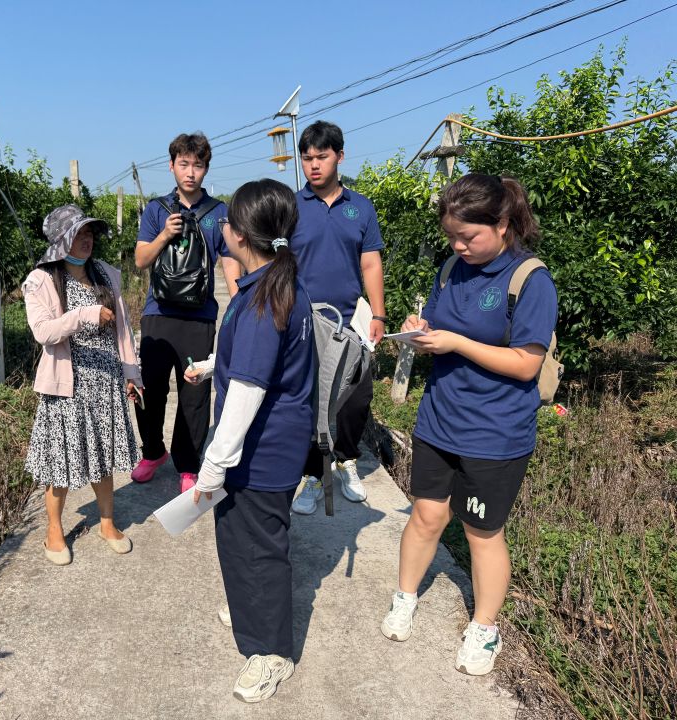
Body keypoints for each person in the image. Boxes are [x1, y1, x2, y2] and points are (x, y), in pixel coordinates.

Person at [379, 173, 558, 676]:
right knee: (426, 515)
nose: (458, 246)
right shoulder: (451, 269)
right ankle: (405, 596)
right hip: (440, 420)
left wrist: (456, 343)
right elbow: (439, 329)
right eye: (451, 237)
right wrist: (420, 331)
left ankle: (484, 627)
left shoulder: (530, 280)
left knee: (482, 531)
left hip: (495, 433)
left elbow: (525, 364)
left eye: (468, 236)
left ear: (501, 224)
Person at [184, 179, 313, 703]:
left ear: (240, 233)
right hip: (270, 446)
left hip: (261, 451)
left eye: (227, 220)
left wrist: (213, 464)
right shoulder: (274, 284)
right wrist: (212, 364)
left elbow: (249, 389)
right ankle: (248, 608)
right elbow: (259, 359)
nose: (222, 227)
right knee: (240, 541)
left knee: (258, 548)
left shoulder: (264, 297)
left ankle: (271, 652)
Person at [22, 205, 142, 566]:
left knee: (103, 456)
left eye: (90, 233)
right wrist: (84, 315)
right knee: (61, 459)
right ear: (61, 240)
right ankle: (54, 530)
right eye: (79, 233)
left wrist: (131, 374)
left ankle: (107, 523)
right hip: (67, 386)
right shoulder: (41, 280)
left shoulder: (105, 273)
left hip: (105, 382)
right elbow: (43, 332)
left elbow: (123, 329)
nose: (87, 240)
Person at [132, 132, 241, 493]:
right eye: (184, 164)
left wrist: (239, 305)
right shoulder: (156, 210)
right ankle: (152, 452)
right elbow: (141, 260)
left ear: (206, 168)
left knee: (194, 396)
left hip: (199, 317)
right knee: (150, 390)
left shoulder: (219, 213)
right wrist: (164, 235)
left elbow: (229, 260)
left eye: (198, 165)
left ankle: (188, 464)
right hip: (158, 314)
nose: (190, 172)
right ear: (172, 166)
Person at [288, 120, 386, 515]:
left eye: (322, 157)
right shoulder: (292, 207)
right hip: (305, 321)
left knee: (355, 398)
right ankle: (313, 475)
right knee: (310, 400)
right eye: (307, 158)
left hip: (350, 321)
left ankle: (346, 460)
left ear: (340, 157)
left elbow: (370, 262)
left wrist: (378, 313)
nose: (313, 165)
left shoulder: (360, 207)